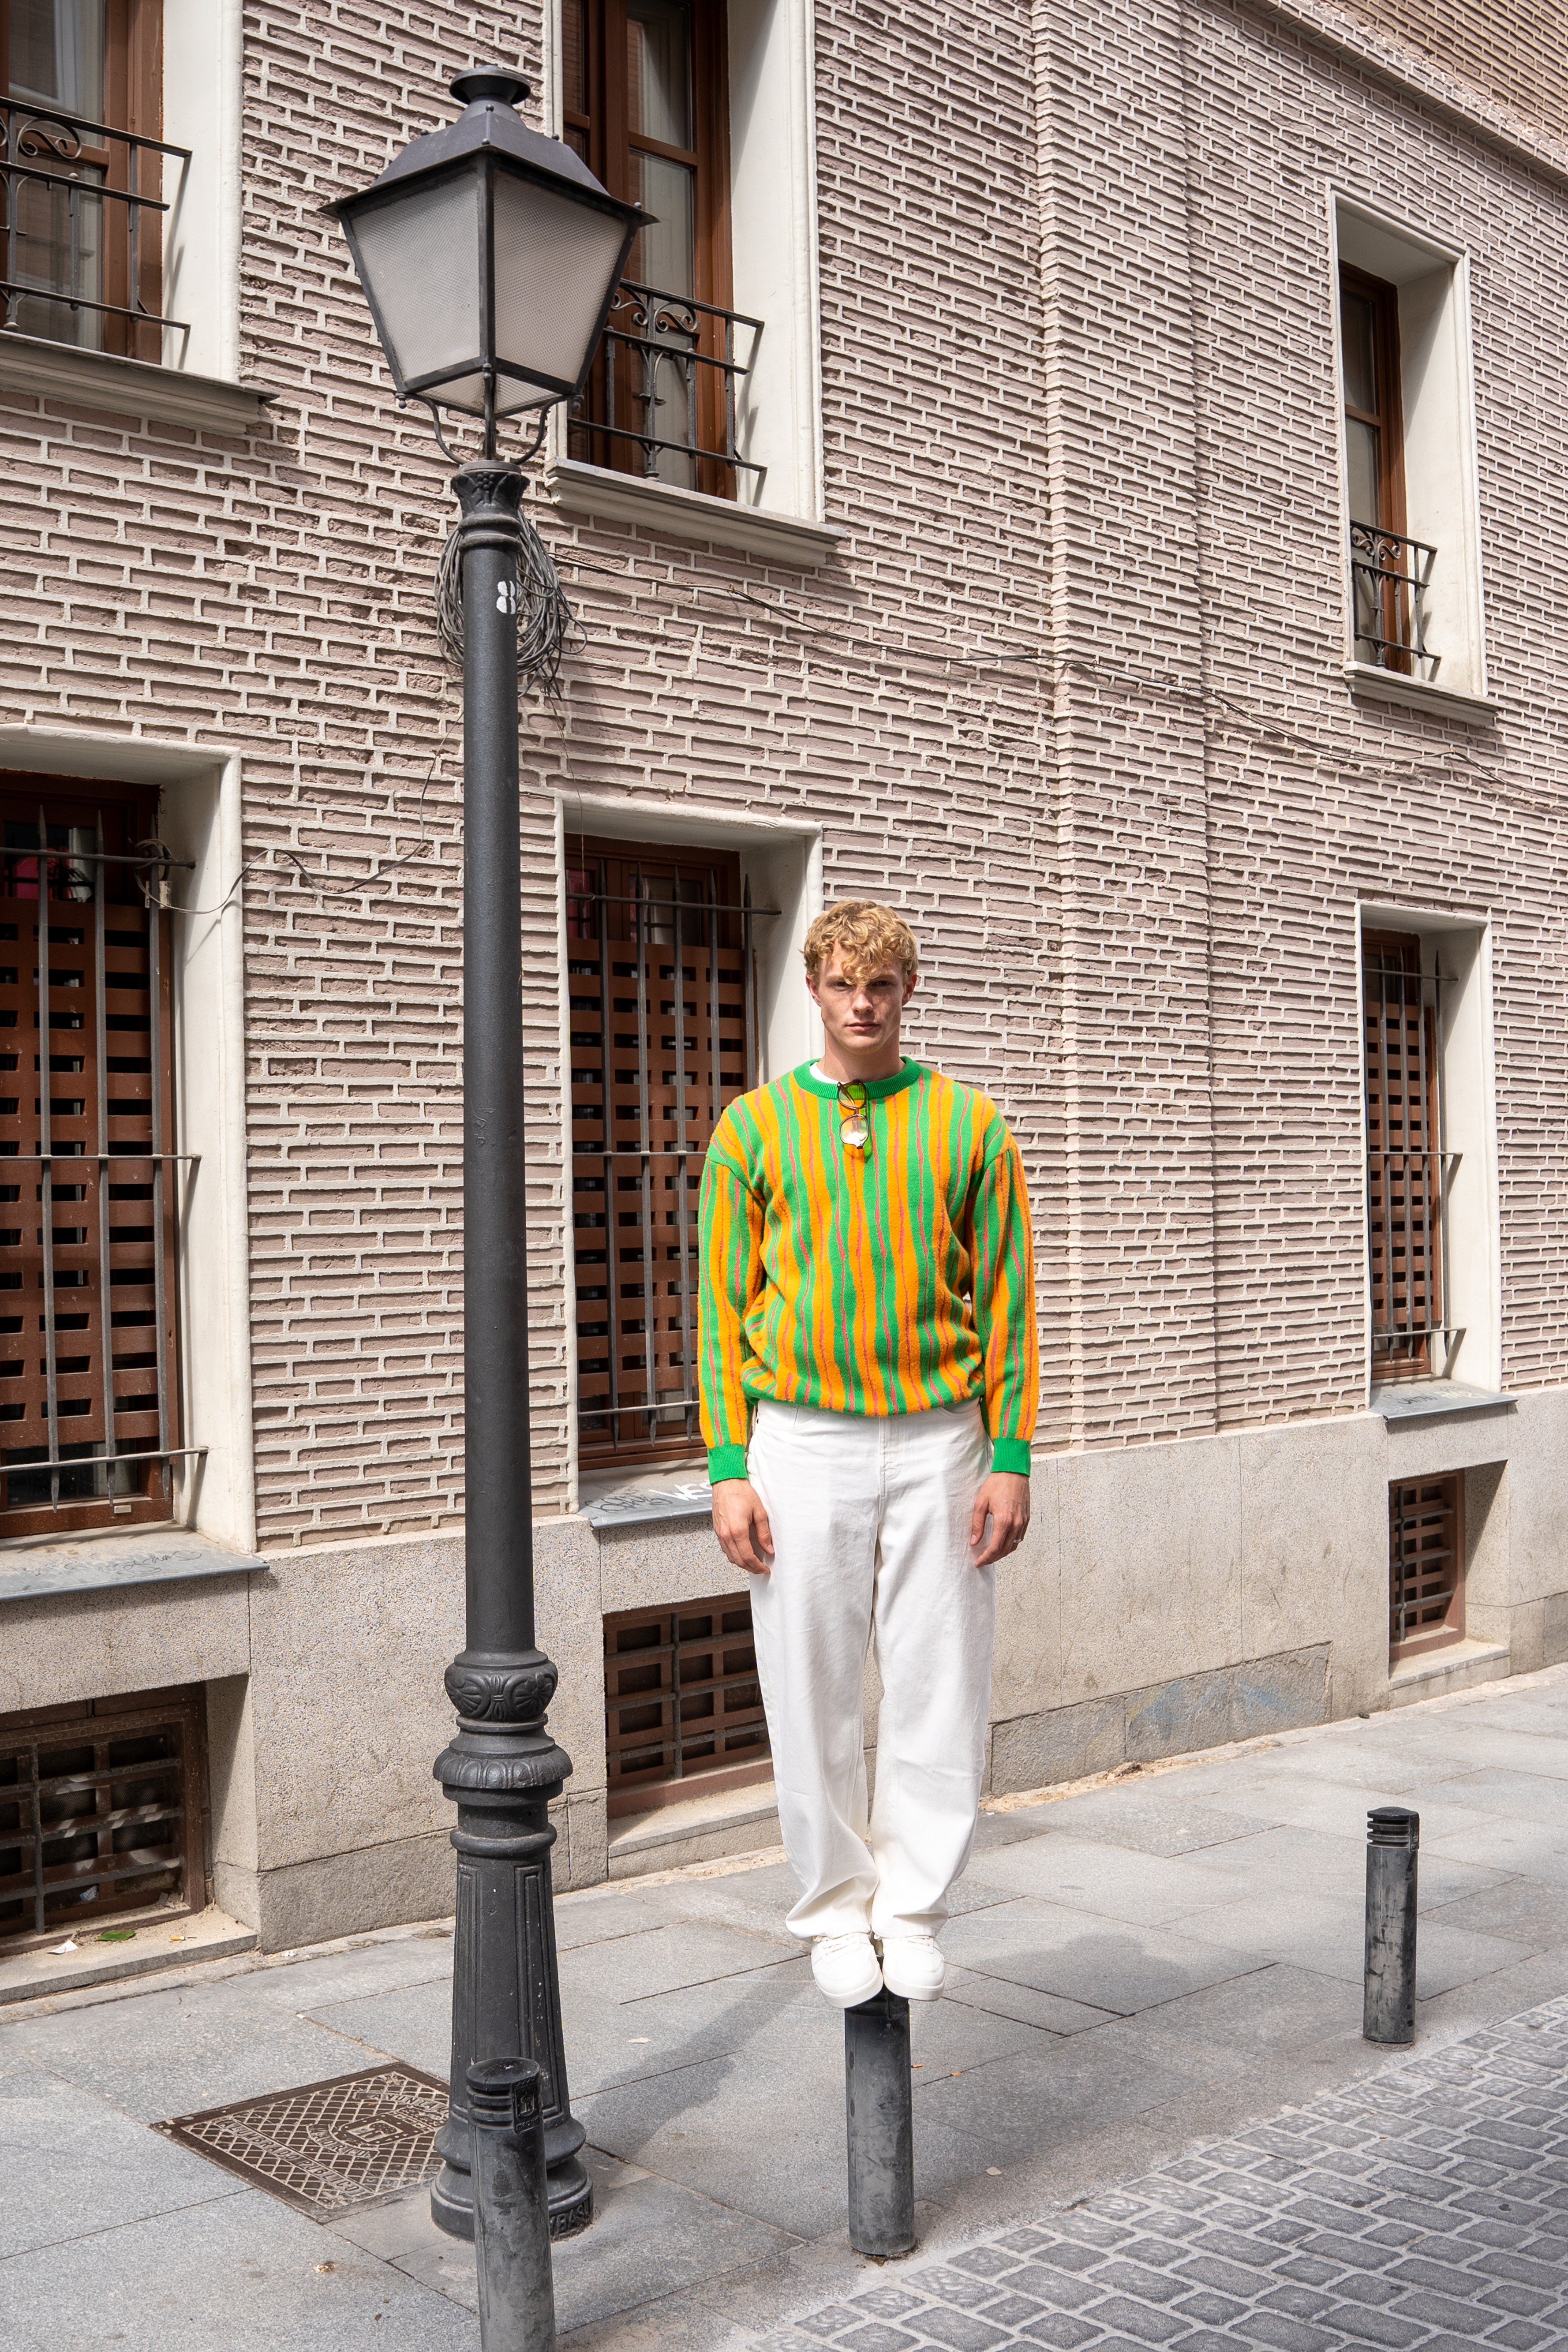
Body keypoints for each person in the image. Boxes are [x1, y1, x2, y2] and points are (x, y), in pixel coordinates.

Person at [697, 899, 1038, 2008]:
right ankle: (836, 1908)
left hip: (943, 1437)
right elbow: (716, 1309)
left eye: (880, 985)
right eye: (842, 983)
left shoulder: (970, 1123)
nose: (861, 1002)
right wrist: (726, 1466)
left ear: (905, 993)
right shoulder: (750, 1129)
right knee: (809, 1684)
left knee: (942, 1678)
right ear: (813, 990)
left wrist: (1012, 1453)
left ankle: (913, 1904)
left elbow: (1007, 1301)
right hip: (800, 1439)